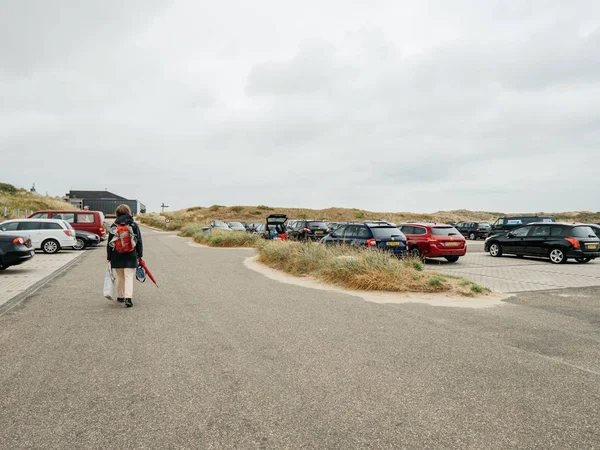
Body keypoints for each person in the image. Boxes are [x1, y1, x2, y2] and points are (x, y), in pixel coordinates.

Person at [106, 204, 143, 308]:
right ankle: (128, 298)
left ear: (117, 213)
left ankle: (121, 296)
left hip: (117, 254)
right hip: (131, 254)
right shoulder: (134, 225)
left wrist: (109, 257)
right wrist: (140, 255)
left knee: (120, 277)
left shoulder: (114, 226)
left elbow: (109, 243)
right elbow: (139, 241)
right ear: (128, 212)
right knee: (129, 276)